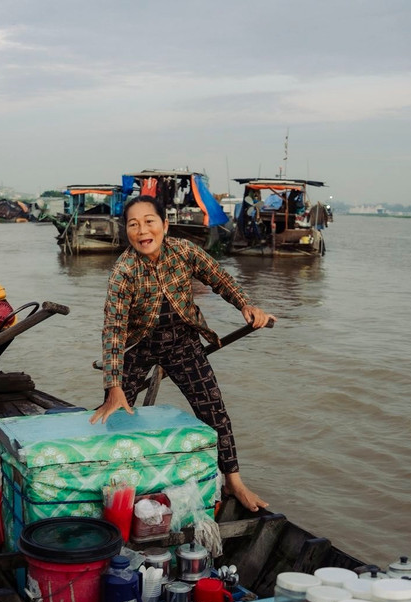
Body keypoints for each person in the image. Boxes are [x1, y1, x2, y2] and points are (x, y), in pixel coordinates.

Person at [90, 195, 275, 512]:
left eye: (149, 221)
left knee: (214, 410)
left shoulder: (184, 251)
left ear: (165, 225)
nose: (142, 230)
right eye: (134, 224)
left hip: (182, 341)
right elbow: (114, 329)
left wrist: (245, 304)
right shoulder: (124, 271)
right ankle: (105, 483)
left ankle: (233, 482)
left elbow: (219, 278)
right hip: (139, 344)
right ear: (127, 232)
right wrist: (113, 387)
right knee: (113, 416)